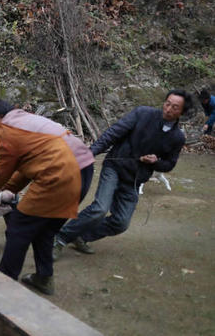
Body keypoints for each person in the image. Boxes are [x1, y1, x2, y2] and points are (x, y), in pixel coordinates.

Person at [53, 89, 193, 260]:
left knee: (121, 223)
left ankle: (82, 236)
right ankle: (60, 238)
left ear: (182, 112)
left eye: (175, 107)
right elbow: (113, 133)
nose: (169, 109)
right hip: (115, 166)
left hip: (135, 179)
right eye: (167, 103)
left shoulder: (177, 137)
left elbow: (169, 164)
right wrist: (91, 153)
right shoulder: (143, 114)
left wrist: (155, 161)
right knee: (100, 209)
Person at [0, 98, 81, 295]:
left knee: (17, 229)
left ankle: (3, 284)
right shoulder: (25, 121)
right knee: (44, 232)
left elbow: (0, 174)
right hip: (78, 175)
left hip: (57, 177)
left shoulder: (8, 132)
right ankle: (44, 278)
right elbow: (27, 167)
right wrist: (9, 188)